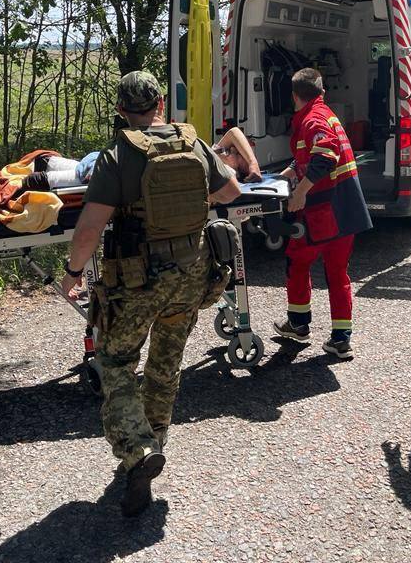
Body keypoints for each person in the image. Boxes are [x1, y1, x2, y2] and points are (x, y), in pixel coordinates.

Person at [60, 71, 241, 517]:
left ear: (121, 110)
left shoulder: (119, 155)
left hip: (138, 280)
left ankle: (138, 451)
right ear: (160, 102)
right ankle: (155, 441)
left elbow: (90, 228)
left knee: (117, 363)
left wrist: (72, 271)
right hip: (192, 275)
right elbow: (231, 192)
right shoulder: (193, 143)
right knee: (165, 367)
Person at [273, 68, 372, 359]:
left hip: (324, 209)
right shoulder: (325, 114)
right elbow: (311, 153)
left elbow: (325, 156)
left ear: (294, 96)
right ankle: (341, 338)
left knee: (297, 259)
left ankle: (299, 324)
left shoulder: (313, 119)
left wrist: (300, 192)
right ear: (322, 92)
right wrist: (287, 173)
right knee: (337, 271)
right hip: (346, 207)